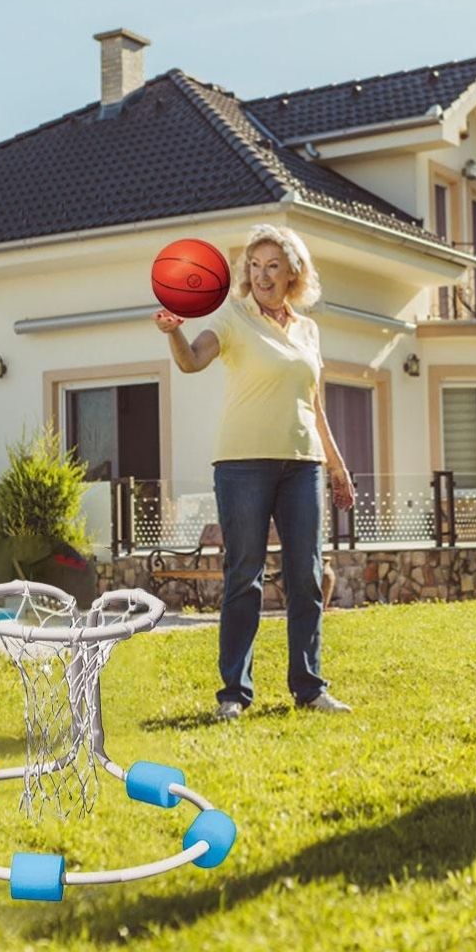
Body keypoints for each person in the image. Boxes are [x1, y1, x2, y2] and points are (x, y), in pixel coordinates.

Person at [153, 224, 355, 720]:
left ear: (293, 273)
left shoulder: (308, 330)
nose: (262, 275)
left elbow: (314, 402)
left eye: (273, 266)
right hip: (242, 463)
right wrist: (174, 330)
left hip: (302, 462)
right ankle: (234, 695)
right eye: (255, 266)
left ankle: (309, 687)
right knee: (244, 575)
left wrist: (337, 465)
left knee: (305, 574)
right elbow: (192, 361)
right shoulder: (232, 320)